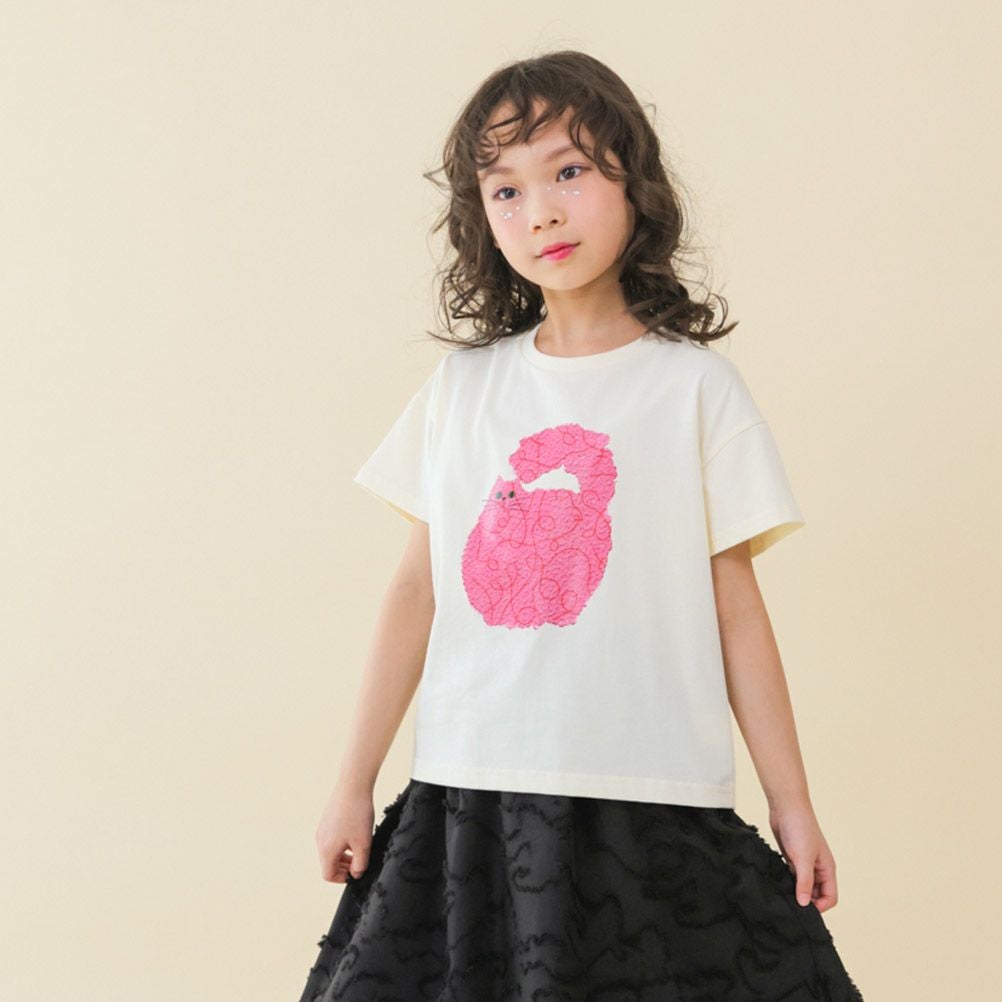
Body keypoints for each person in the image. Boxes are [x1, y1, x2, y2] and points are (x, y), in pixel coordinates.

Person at [298, 50, 864, 1002]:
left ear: (633, 181)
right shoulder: (463, 390)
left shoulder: (695, 390)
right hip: (471, 792)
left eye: (569, 171)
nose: (542, 213)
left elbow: (735, 608)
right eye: (506, 190)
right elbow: (416, 589)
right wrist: (352, 780)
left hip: (651, 792)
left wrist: (792, 803)